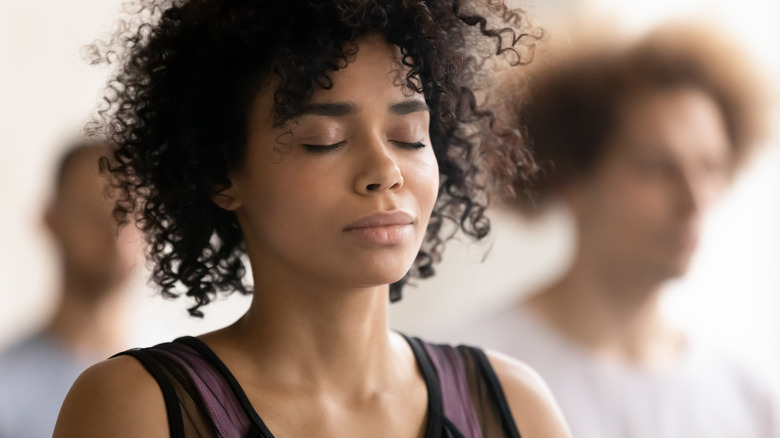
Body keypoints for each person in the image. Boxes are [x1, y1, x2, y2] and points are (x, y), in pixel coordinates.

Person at [53, 1, 571, 437]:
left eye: (410, 135)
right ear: (222, 174)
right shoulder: (139, 410)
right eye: (325, 141)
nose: (385, 172)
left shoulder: (512, 409)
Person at [445, 23, 779, 438]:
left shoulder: (748, 399)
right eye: (658, 167)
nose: (695, 200)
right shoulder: (468, 374)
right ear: (573, 180)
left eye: (710, 167)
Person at [0, 140, 141, 438]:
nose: (113, 230)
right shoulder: (8, 387)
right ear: (51, 221)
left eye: (127, 212)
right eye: (92, 211)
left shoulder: (182, 378)